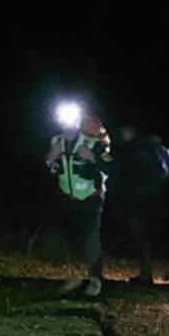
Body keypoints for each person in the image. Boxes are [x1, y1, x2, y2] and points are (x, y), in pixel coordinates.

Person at [45, 109, 113, 297]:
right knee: (60, 235)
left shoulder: (93, 143)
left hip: (91, 198)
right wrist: (52, 157)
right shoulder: (56, 142)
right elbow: (51, 169)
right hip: (66, 196)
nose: (67, 126)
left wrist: (92, 158)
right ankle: (72, 275)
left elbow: (110, 167)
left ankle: (95, 279)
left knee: (90, 238)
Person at [110, 125, 169, 284]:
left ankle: (148, 273)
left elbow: (157, 175)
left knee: (142, 235)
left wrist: (141, 191)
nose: (123, 134)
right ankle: (158, 269)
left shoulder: (142, 150)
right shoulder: (151, 149)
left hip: (144, 198)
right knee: (148, 235)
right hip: (153, 197)